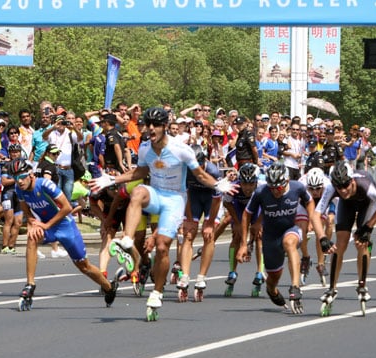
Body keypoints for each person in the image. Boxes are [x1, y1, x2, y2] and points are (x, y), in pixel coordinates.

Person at [88, 107, 235, 322]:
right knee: (138, 192)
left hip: (175, 200)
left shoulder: (181, 149)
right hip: (156, 193)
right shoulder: (146, 148)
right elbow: (139, 173)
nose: (150, 129)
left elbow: (200, 174)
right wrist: (112, 179)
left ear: (164, 126)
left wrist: (218, 184)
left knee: (163, 247)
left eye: (155, 125)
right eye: (147, 125)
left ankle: (157, 292)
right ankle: (127, 241)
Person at [10, 158, 118, 311]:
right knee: (32, 238)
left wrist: (46, 224)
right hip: (47, 226)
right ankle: (30, 284)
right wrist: (33, 223)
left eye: (21, 177)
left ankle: (108, 287)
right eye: (15, 178)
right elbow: (24, 207)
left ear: (31, 175)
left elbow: (67, 207)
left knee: (84, 266)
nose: (19, 181)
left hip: (65, 225)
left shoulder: (45, 185)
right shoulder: (19, 188)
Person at [236, 162, 326, 314]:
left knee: (289, 242)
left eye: (278, 188)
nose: (275, 192)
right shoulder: (261, 192)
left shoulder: (297, 187)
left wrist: (311, 218)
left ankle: (295, 287)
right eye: (272, 188)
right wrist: (244, 244)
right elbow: (246, 214)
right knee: (273, 278)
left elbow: (309, 201)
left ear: (286, 182)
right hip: (270, 236)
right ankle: (271, 290)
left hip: (290, 228)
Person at [313, 161, 376, 316]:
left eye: (346, 185)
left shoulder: (365, 184)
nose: (342, 190)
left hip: (367, 204)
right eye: (338, 187)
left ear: (352, 180)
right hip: (346, 206)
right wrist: (322, 238)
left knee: (361, 242)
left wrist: (369, 226)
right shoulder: (332, 188)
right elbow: (315, 214)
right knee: (340, 244)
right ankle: (332, 288)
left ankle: (362, 284)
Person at [177, 144, 223, 302]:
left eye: (200, 166)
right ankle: (185, 276)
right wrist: (189, 219)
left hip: (211, 200)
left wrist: (210, 223)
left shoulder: (213, 172)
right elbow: (186, 194)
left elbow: (218, 201)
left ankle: (201, 277)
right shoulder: (185, 169)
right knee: (188, 234)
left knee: (208, 235)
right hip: (194, 198)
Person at [221, 163, 265, 297]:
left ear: (256, 182)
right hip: (239, 208)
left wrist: (258, 223)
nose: (247, 188)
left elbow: (267, 205)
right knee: (236, 235)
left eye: (251, 184)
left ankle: (259, 272)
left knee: (259, 236)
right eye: (244, 184)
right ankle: (232, 271)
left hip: (257, 209)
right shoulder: (234, 187)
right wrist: (238, 222)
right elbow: (226, 203)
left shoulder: (263, 187)